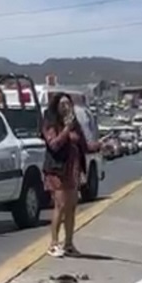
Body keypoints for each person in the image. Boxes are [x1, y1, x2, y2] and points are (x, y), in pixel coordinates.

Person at [42, 92, 103, 257]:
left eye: (68, 104)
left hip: (73, 171)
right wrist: (66, 129)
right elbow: (54, 145)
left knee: (71, 207)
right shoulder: (50, 123)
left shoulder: (75, 125)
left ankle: (68, 243)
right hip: (58, 170)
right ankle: (53, 244)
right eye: (62, 104)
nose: (66, 107)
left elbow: (85, 146)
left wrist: (100, 145)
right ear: (56, 106)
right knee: (60, 206)